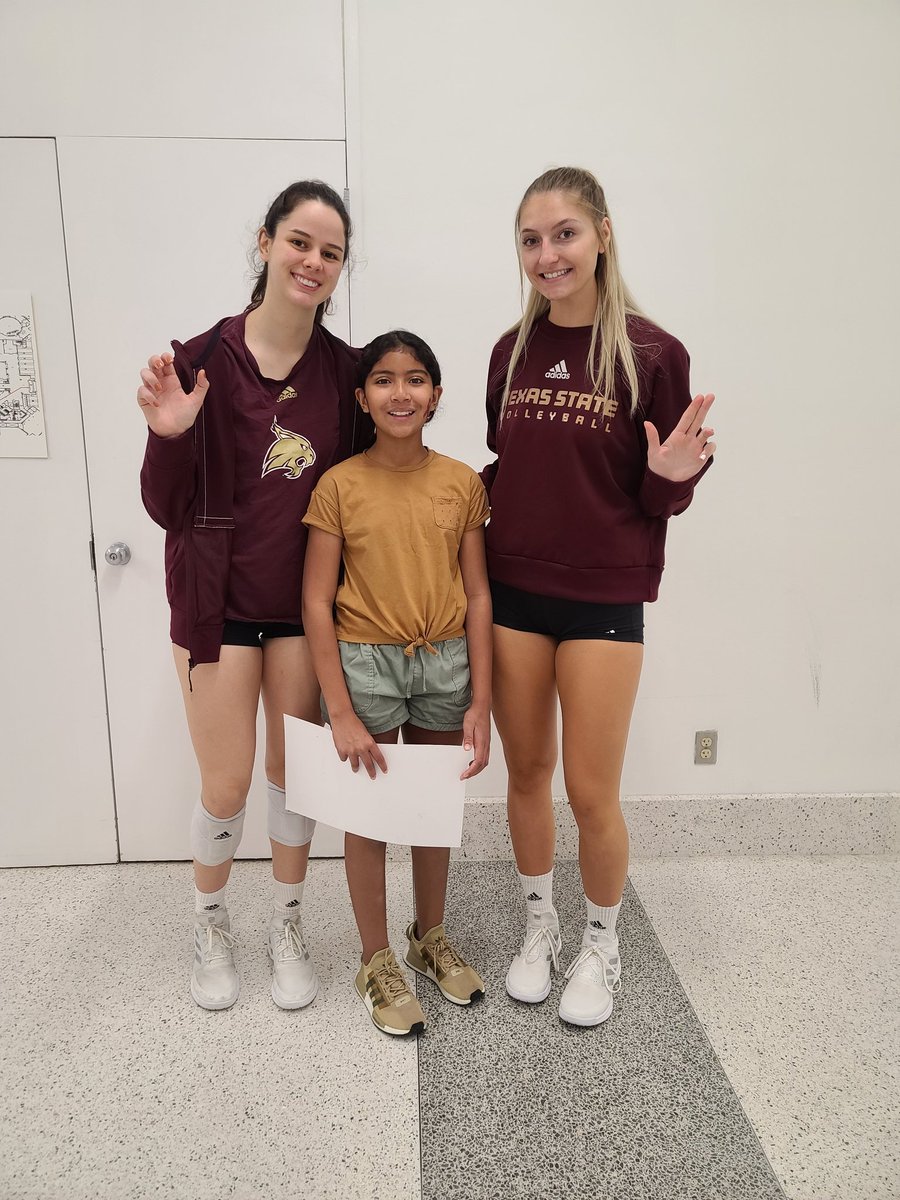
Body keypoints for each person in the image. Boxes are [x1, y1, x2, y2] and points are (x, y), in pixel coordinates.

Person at [482, 166, 716, 1027]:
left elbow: (663, 490)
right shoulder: (510, 352)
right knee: (527, 773)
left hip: (604, 597)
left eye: (565, 234)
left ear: (603, 235)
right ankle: (540, 928)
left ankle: (602, 942)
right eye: (531, 240)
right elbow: (510, 469)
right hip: (512, 591)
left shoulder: (653, 352)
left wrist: (669, 481)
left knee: (590, 790)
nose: (549, 255)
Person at [137, 180, 373, 1011]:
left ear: (341, 269)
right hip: (216, 608)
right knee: (228, 782)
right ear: (267, 242)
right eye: (300, 242)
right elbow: (165, 508)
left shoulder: (348, 375)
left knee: (290, 779)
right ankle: (209, 920)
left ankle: (287, 920)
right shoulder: (201, 361)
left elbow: (386, 479)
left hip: (304, 611)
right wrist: (168, 438)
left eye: (331, 252)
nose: (313, 261)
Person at [301, 330, 492, 1036]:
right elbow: (317, 600)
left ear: (436, 396)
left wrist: (483, 699)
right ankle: (375, 957)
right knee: (372, 815)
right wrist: (341, 710)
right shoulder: (339, 485)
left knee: (433, 809)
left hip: (445, 662)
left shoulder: (461, 482)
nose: (400, 392)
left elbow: (478, 596)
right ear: (363, 397)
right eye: (384, 379)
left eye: (416, 379)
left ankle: (428, 937)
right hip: (366, 664)